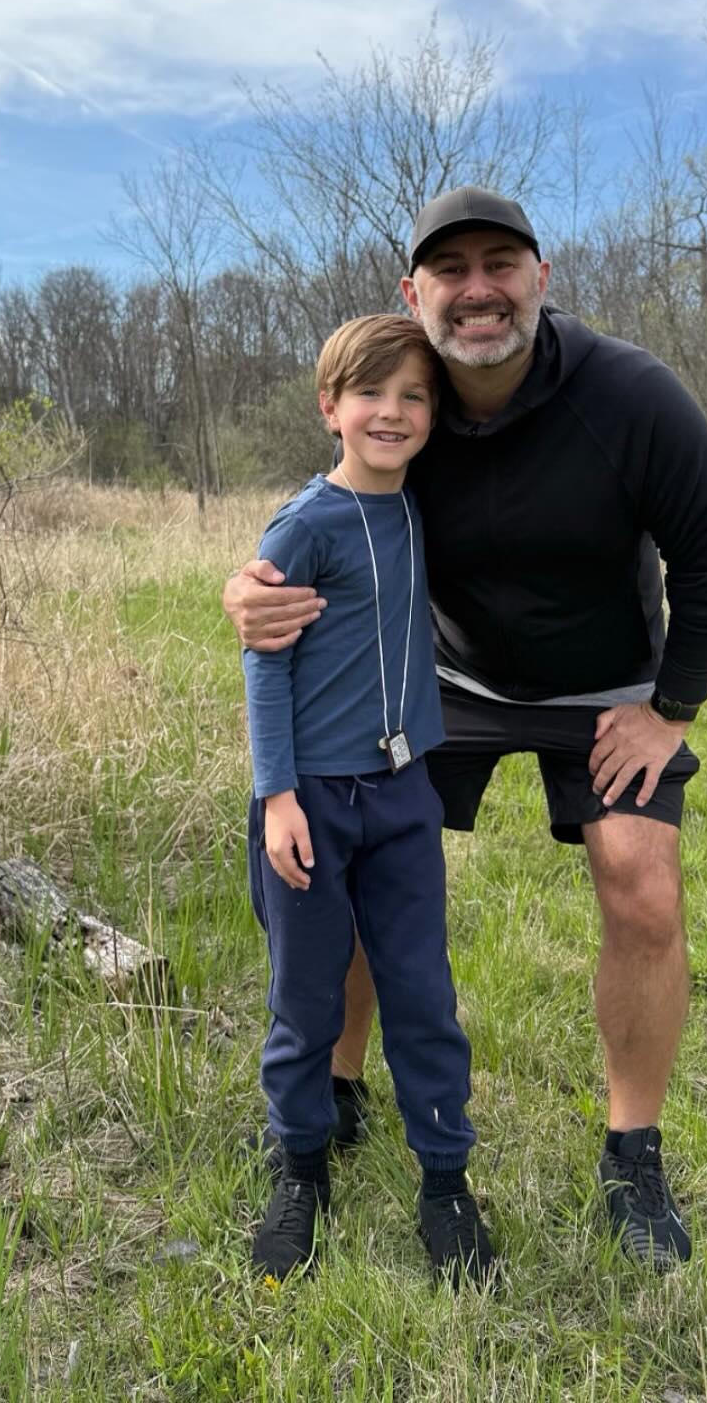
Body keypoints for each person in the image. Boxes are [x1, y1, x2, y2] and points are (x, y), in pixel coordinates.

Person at [227, 187, 707, 1272]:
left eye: (500, 264)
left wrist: (669, 713)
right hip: (444, 684)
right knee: (353, 852)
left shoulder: (632, 397)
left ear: (542, 278)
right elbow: (333, 512)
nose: (478, 290)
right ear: (412, 292)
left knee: (641, 879)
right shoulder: (406, 397)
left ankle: (632, 1153)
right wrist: (249, 587)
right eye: (450, 270)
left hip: (602, 688)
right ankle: (336, 1088)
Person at [242, 311, 497, 1286]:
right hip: (309, 800)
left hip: (403, 798)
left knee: (421, 991)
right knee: (307, 999)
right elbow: (265, 663)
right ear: (330, 409)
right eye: (371, 395)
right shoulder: (306, 524)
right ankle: (300, 1169)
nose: (391, 412)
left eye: (413, 397)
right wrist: (277, 799)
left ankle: (445, 1178)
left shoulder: (423, 505)